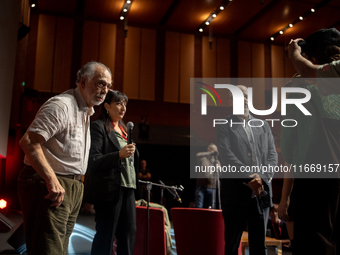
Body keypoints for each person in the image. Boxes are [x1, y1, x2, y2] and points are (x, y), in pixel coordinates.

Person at [17, 61, 112, 255]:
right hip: (50, 184)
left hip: (73, 187)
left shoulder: (86, 110)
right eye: (101, 83)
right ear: (83, 81)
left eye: (108, 86)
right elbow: (29, 142)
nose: (105, 90)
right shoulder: (62, 105)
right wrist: (51, 180)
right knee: (47, 250)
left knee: (59, 250)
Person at [281, 28, 340, 254]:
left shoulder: (297, 88)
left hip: (315, 173)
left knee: (313, 245)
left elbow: (289, 143)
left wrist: (286, 195)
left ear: (312, 58)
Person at [216, 85, 277, 255]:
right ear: (230, 101)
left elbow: (273, 156)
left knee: (259, 246)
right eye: (237, 96)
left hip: (261, 194)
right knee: (232, 245)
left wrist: (262, 179)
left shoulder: (263, 126)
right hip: (236, 193)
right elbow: (228, 157)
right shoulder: (224, 126)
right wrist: (253, 179)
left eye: (245, 96)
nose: (243, 99)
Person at [85, 90, 139, 255]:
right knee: (106, 235)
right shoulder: (99, 127)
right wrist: (119, 155)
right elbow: (93, 160)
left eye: (125, 104)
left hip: (128, 189)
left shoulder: (124, 130)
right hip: (109, 190)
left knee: (129, 233)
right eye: (118, 103)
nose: (123, 108)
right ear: (107, 106)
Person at [195, 143, 220, 209]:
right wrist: (211, 153)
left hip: (212, 187)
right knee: (199, 206)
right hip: (201, 186)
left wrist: (219, 169)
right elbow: (197, 155)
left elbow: (220, 173)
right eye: (213, 150)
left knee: (210, 207)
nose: (215, 152)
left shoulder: (216, 161)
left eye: (216, 150)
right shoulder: (202, 158)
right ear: (208, 149)